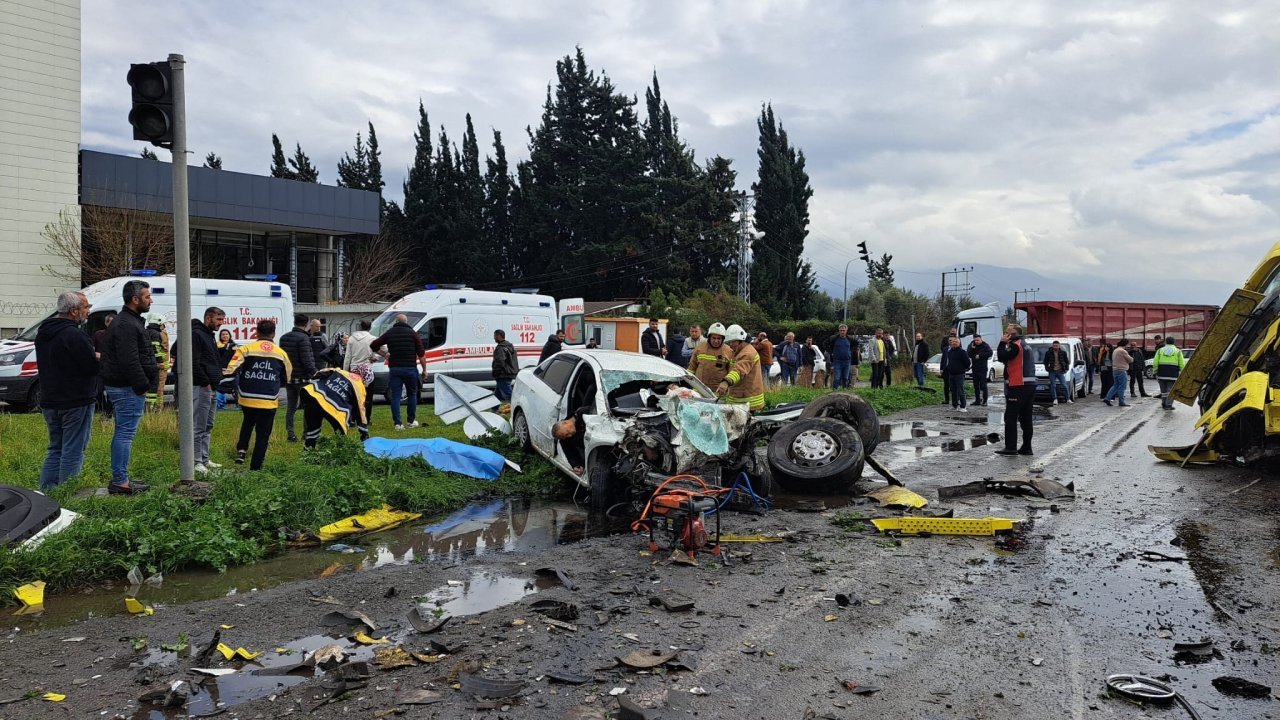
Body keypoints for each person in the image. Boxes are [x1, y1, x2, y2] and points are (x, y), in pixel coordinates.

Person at [36, 291, 97, 493]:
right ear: (73, 311)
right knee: (73, 449)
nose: (88, 311)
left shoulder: (44, 333)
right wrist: (99, 358)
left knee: (55, 448)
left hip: (50, 399)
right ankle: (67, 494)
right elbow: (89, 367)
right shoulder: (75, 334)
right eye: (85, 307)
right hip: (75, 400)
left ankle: (48, 491)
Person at [100, 279, 157, 494]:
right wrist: (142, 385)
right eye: (147, 296)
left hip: (126, 386)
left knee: (124, 433)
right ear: (135, 299)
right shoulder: (126, 324)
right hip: (127, 388)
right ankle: (120, 481)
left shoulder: (130, 321)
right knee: (125, 434)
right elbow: (129, 360)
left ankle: (121, 478)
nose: (150, 300)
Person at [225, 319, 292, 470]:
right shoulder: (281, 354)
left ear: (257, 332)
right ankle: (256, 466)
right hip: (268, 399)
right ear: (274, 333)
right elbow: (288, 376)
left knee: (248, 422)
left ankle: (241, 452)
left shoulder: (246, 349)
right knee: (263, 434)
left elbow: (231, 369)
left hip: (247, 397)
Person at [371, 313, 427, 430]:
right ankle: (410, 421)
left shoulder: (390, 333)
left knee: (396, 396)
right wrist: (425, 370)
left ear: (395, 322)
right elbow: (421, 354)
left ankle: (398, 424)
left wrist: (385, 355)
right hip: (410, 368)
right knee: (412, 394)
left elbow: (374, 345)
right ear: (406, 322)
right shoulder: (413, 334)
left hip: (395, 369)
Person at [189, 307, 226, 473]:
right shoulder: (197, 334)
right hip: (202, 386)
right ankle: (196, 461)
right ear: (208, 318)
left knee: (208, 424)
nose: (221, 324)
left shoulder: (209, 336)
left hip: (212, 386)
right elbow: (194, 362)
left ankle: (204, 458)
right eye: (218, 320)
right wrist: (205, 383)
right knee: (199, 424)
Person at [301, 364, 371, 449]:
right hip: (334, 407)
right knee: (340, 435)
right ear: (365, 379)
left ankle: (308, 453)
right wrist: (364, 434)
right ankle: (339, 454)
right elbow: (361, 411)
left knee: (313, 430)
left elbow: (320, 372)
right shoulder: (360, 386)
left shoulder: (339, 371)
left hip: (314, 398)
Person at [995, 324, 1035, 456]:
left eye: (1007, 333)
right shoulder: (1025, 344)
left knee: (1010, 417)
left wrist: (1002, 343)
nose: (1005, 335)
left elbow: (1001, 357)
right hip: (1029, 385)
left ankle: (1011, 447)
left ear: (1013, 334)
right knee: (1026, 418)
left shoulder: (1015, 345)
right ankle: (1027, 447)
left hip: (1018, 385)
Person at [280, 314, 317, 443]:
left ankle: (291, 434)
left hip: (289, 378)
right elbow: (306, 360)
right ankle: (306, 434)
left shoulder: (284, 338)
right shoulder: (304, 338)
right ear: (306, 324)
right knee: (308, 407)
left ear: (295, 322)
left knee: (291, 407)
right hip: (303, 379)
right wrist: (315, 373)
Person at [717, 324, 765, 410]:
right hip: (739, 398)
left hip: (748, 402)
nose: (730, 345)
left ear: (741, 339)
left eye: (732, 341)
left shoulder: (748, 353)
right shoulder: (738, 351)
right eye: (729, 342)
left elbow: (739, 370)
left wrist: (726, 382)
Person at [689, 322, 734, 390]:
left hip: (718, 392)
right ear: (709, 337)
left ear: (723, 339)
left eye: (719, 338)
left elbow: (731, 372)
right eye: (714, 338)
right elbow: (691, 368)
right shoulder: (699, 348)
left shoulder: (729, 351)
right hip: (699, 390)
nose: (716, 341)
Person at [553, 404, 593, 475]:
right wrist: (576, 465)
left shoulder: (583, 412)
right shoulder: (564, 440)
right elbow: (571, 455)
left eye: (567, 433)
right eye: (566, 436)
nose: (569, 435)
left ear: (564, 422)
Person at [144, 312, 170, 409]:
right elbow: (157, 349)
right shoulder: (156, 334)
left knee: (151, 388)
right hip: (158, 366)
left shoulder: (145, 332)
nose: (163, 326)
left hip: (148, 364)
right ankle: (156, 408)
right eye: (163, 324)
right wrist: (161, 362)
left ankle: (151, 407)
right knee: (157, 388)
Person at [1152, 336, 1186, 410]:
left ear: (1166, 342)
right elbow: (1181, 364)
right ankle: (1168, 405)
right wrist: (1183, 373)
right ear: (1174, 342)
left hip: (1161, 374)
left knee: (1163, 391)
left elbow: (1155, 362)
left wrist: (1155, 372)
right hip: (1173, 374)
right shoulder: (1178, 351)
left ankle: (1164, 403)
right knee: (1170, 390)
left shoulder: (1160, 350)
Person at [93, 311, 116, 417]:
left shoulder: (118, 335)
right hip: (99, 367)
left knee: (111, 392)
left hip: (112, 368)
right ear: (106, 323)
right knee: (98, 391)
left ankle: (108, 412)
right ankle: (103, 407)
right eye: (110, 323)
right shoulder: (99, 334)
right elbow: (92, 349)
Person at [943, 336, 971, 410]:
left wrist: (962, 368)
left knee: (960, 390)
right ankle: (954, 405)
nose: (954, 343)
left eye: (956, 342)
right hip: (951, 374)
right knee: (953, 391)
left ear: (959, 343)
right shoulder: (950, 352)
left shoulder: (962, 352)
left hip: (960, 374)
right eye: (953, 342)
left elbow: (968, 363)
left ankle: (963, 406)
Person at [492, 329, 519, 402]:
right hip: (508, 373)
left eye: (494, 336)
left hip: (503, 374)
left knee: (508, 395)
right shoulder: (509, 346)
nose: (494, 338)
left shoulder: (501, 347)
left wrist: (496, 372)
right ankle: (494, 409)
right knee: (497, 394)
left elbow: (500, 362)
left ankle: (517, 408)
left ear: (499, 336)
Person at [824, 325, 855, 390]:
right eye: (841, 330)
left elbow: (857, 344)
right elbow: (825, 343)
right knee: (837, 377)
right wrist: (831, 352)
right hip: (837, 361)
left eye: (844, 330)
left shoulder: (850, 338)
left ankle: (845, 390)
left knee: (846, 377)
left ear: (846, 331)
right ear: (839, 331)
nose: (842, 332)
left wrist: (851, 352)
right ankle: (835, 391)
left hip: (847, 361)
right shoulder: (834, 338)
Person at [1103, 339, 1132, 407]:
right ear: (1125, 344)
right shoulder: (1122, 351)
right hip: (1122, 370)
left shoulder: (1115, 350)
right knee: (1122, 386)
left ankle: (1107, 398)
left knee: (1115, 385)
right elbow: (1130, 360)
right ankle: (1121, 402)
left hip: (1115, 370)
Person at [1044, 340, 1073, 405]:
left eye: (1056, 345)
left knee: (1064, 385)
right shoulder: (1048, 353)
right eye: (1054, 345)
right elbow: (1045, 362)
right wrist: (1047, 369)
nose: (1055, 347)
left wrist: (1066, 369)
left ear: (1059, 346)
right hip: (1052, 371)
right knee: (1053, 385)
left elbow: (1067, 362)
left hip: (1060, 371)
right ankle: (1055, 399)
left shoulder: (1063, 353)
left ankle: (1068, 399)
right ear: (1052, 346)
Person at [967, 335, 993, 405]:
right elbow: (968, 354)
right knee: (976, 385)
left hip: (982, 368)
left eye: (978, 340)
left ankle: (985, 400)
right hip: (975, 368)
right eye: (975, 340)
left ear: (981, 339)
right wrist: (972, 349)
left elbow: (990, 353)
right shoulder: (972, 345)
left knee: (983, 385)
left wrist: (980, 355)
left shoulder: (985, 345)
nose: (976, 342)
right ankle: (977, 400)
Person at [940, 329, 958, 404]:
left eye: (952, 340)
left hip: (954, 369)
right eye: (949, 340)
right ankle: (947, 399)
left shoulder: (957, 349)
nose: (950, 342)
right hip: (946, 369)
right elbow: (943, 359)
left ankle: (956, 400)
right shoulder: (945, 349)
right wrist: (941, 368)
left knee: (954, 385)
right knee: (946, 385)